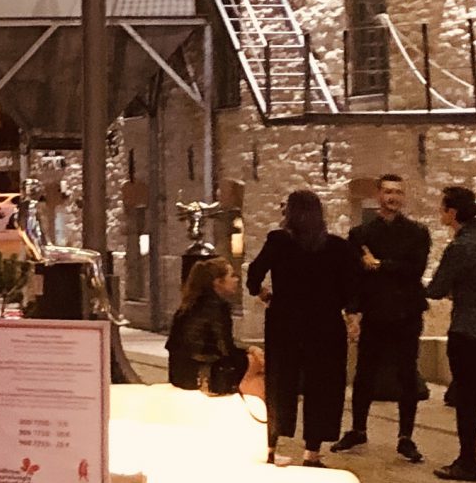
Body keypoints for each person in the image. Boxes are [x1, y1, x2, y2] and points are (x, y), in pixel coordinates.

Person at [246, 189, 361, 466]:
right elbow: (352, 289)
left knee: (279, 383)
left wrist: (265, 295)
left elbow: (253, 275)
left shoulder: (278, 241)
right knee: (322, 385)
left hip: (285, 321)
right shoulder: (337, 247)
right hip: (325, 324)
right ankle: (312, 451)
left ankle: (271, 447)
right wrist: (352, 318)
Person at [332, 173, 432, 463]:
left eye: (398, 193)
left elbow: (415, 269)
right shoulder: (361, 235)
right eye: (388, 192)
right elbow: (354, 279)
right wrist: (352, 314)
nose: (393, 197)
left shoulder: (417, 233)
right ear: (378, 195)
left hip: (406, 313)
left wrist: (380, 265)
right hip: (375, 312)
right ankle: (358, 429)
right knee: (364, 373)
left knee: (407, 375)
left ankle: (406, 437)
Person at [428, 184, 476, 481]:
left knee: (467, 399)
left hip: (467, 330)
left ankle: (466, 460)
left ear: (453, 212)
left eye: (443, 208)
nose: (440, 213)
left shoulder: (460, 247)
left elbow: (436, 288)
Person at [166, 255, 263, 399]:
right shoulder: (217, 308)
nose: (236, 280)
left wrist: (250, 349)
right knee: (258, 364)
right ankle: (264, 410)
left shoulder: (189, 306)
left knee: (254, 359)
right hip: (206, 374)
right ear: (218, 282)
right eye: (231, 276)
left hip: (180, 374)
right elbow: (224, 349)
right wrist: (253, 356)